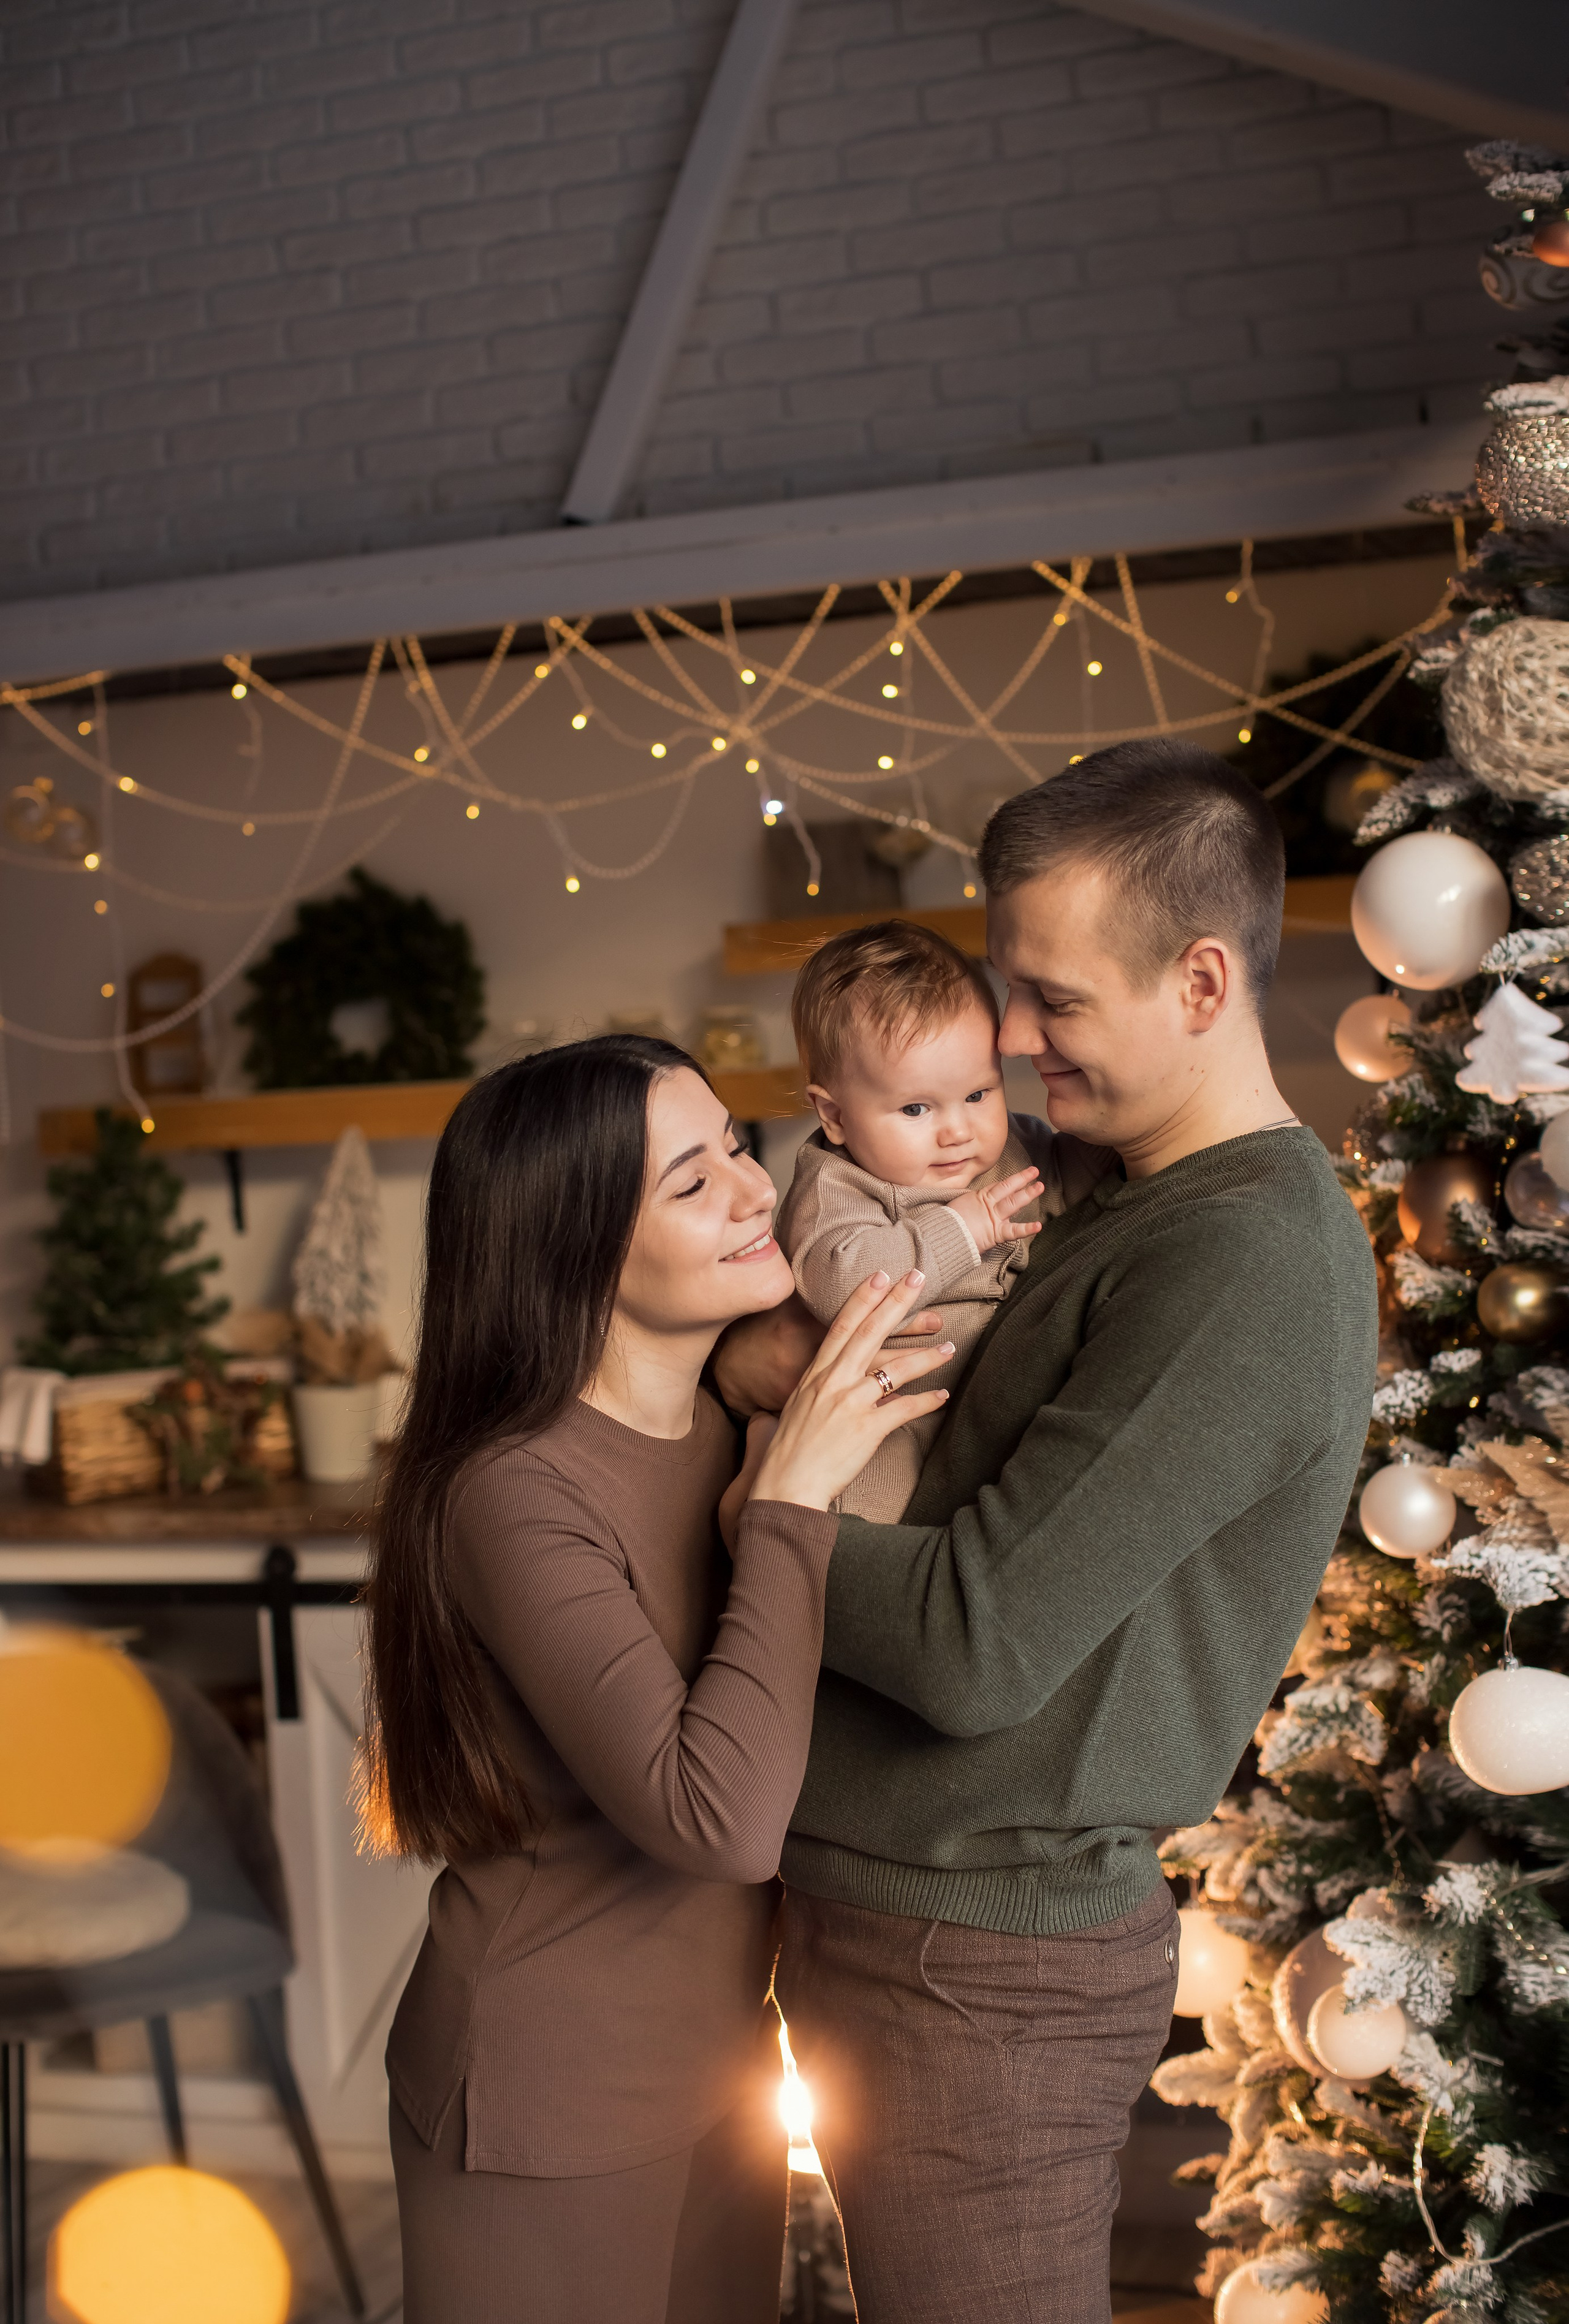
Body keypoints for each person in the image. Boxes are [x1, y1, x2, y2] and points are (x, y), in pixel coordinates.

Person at [720, 739, 1380, 2324]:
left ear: (1204, 983)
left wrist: (765, 1512)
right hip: (888, 1911)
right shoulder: (1090, 1189)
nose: (1007, 1044)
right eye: (1004, 991)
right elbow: (825, 1341)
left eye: (1053, 1002)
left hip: (984, 1968)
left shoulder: (1248, 1261)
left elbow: (974, 1639)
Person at [361, 1034, 953, 2324]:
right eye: (691, 1184)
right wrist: (789, 1493)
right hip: (547, 2095)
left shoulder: (721, 1429)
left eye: (736, 1145)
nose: (756, 1191)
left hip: (722, 2076)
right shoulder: (513, 1492)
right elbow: (718, 1819)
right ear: (573, 1252)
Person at [777, 918, 1109, 1519]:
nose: (957, 1131)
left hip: (997, 1403)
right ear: (834, 1115)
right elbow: (843, 1283)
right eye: (915, 1108)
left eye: (979, 1094)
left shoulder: (1010, 1150)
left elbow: (1084, 1174)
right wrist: (961, 1229)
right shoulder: (837, 1184)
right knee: (870, 1512)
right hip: (891, 1411)